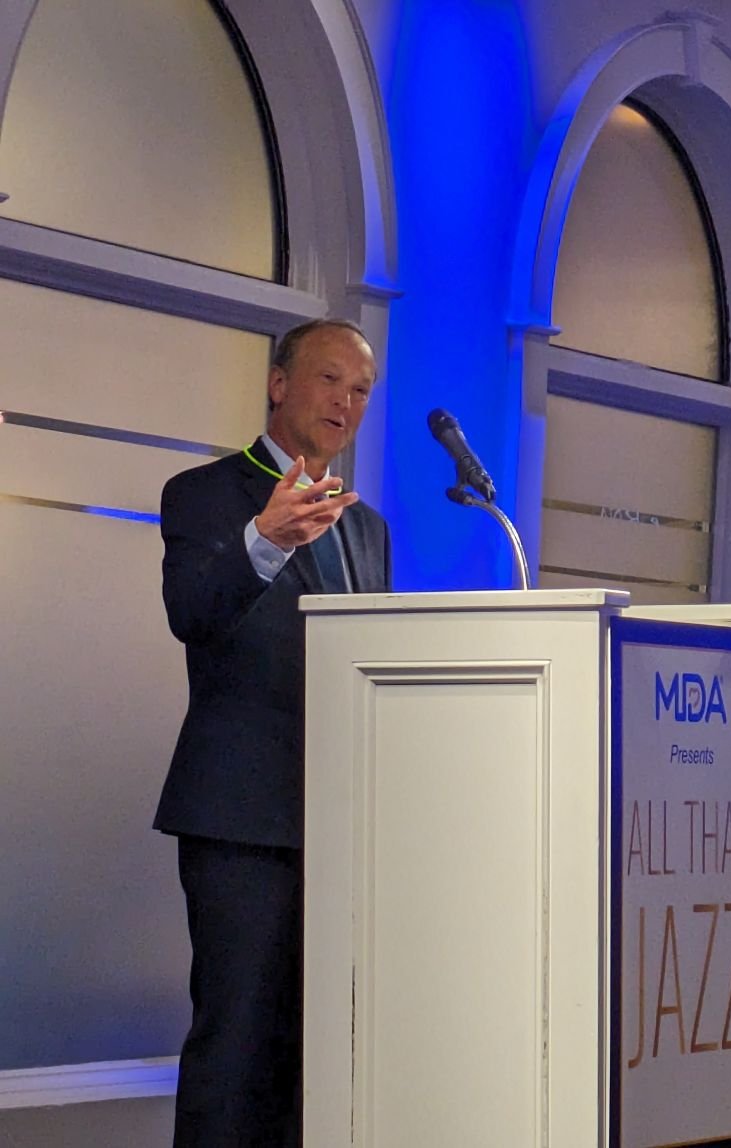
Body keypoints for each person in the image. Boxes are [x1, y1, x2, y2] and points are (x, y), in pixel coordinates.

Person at [154, 318, 392, 1147]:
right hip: (242, 819)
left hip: (340, 824)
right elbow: (191, 613)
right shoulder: (204, 493)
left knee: (313, 1049)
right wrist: (263, 540)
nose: (345, 402)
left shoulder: (367, 527)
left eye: (361, 390)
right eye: (330, 380)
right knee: (236, 1042)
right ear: (279, 383)